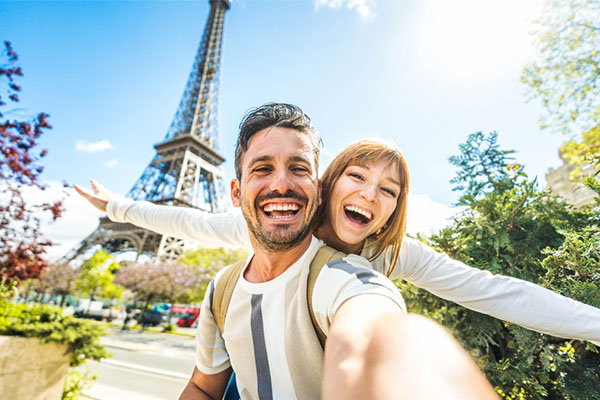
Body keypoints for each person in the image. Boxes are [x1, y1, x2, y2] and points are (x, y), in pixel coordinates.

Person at [77, 103, 498, 399]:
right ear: (236, 191)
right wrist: (117, 207)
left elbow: (377, 326)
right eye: (263, 168)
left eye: (298, 168)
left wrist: (395, 354)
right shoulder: (222, 290)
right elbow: (204, 387)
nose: (280, 183)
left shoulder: (349, 276)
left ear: (318, 189)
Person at [77, 140, 600, 347]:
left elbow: (493, 291)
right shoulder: (275, 223)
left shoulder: (392, 252)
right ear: (328, 184)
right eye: (358, 177)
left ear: (394, 209)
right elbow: (187, 222)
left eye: (389, 191)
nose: (371, 195)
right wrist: (117, 208)